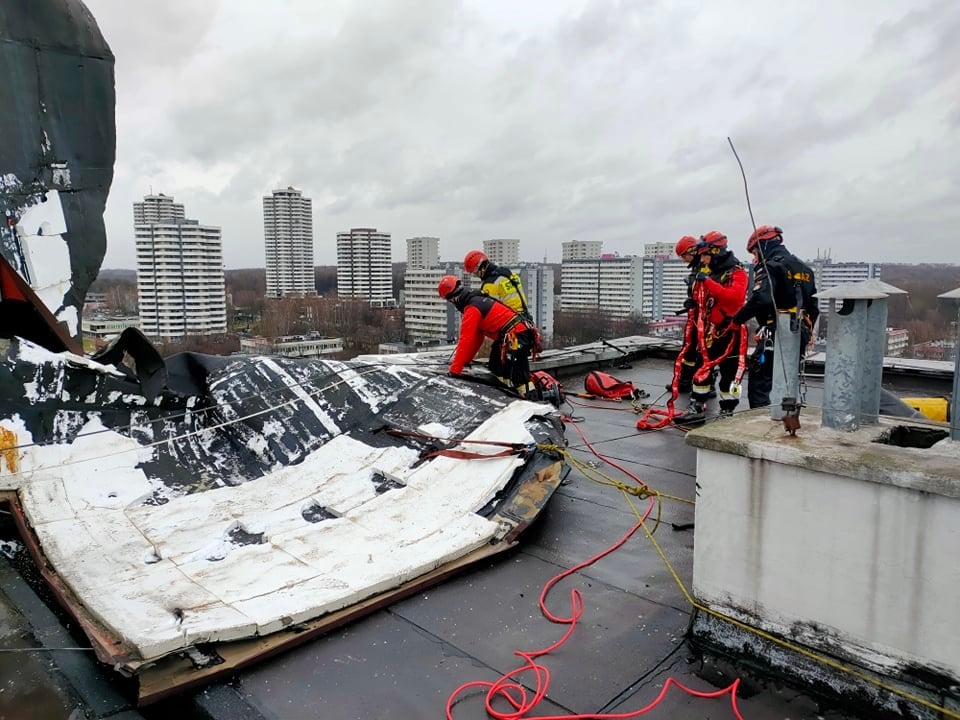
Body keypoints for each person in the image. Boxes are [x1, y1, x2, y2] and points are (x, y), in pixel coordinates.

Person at [731, 225, 819, 409]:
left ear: (763, 245)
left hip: (775, 332)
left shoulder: (770, 266)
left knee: (761, 380)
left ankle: (761, 420)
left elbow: (760, 298)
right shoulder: (805, 269)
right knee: (787, 379)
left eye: (755, 252)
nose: (754, 258)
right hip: (799, 331)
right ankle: (786, 417)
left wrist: (737, 320)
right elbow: (814, 307)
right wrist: (806, 332)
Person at [438, 275, 536, 396]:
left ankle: (534, 402)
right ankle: (511, 395)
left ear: (452, 299)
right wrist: (465, 361)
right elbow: (477, 338)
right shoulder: (476, 299)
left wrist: (455, 370)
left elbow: (465, 340)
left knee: (519, 379)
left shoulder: (472, 308)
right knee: (495, 367)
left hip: (516, 337)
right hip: (516, 335)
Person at [685, 231, 749, 419]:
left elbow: (734, 298)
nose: (702, 260)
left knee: (729, 372)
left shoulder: (737, 272)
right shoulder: (710, 271)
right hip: (710, 330)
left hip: (730, 332)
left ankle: (727, 409)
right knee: (702, 367)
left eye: (705, 255)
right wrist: (693, 301)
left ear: (715, 252)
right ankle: (697, 404)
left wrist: (709, 283)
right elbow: (704, 297)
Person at [670, 235, 711, 396]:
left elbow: (709, 291)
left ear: (692, 252)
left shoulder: (705, 267)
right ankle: (685, 382)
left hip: (706, 318)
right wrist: (691, 301)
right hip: (697, 316)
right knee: (689, 348)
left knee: (704, 351)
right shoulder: (697, 268)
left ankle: (707, 385)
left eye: (684, 256)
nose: (683, 260)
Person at [463, 250, 532, 321]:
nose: (476, 276)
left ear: (482, 268)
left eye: (475, 273)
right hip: (525, 317)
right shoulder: (507, 273)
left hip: (510, 321)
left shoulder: (490, 284)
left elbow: (489, 311)